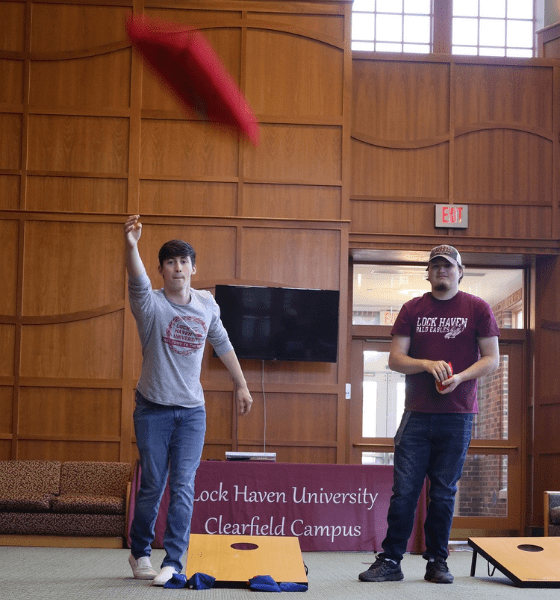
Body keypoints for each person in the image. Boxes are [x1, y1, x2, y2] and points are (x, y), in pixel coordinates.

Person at [359, 244, 500, 585]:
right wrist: (424, 364)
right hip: (417, 415)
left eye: (448, 266)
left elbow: (491, 358)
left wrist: (462, 376)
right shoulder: (413, 309)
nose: (442, 271)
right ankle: (391, 560)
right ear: (428, 272)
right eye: (436, 266)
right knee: (404, 491)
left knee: (444, 492)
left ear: (460, 271)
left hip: (458, 414)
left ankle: (438, 561)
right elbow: (395, 359)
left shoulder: (477, 308)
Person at [124, 215, 253, 586]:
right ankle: (140, 551)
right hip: (152, 409)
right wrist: (131, 246)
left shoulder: (207, 304)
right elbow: (136, 279)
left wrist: (241, 385)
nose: (177, 268)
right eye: (170, 262)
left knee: (183, 485)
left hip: (192, 411)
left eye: (184, 262)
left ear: (194, 268)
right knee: (153, 483)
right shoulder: (150, 305)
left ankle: (175, 560)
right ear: (162, 270)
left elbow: (223, 344)